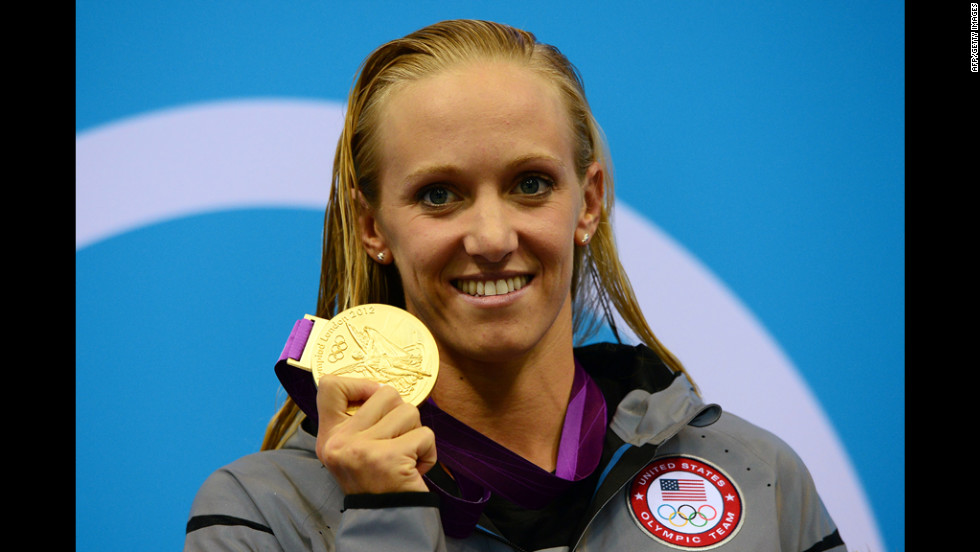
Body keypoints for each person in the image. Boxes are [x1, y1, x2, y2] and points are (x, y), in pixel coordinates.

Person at [184, 19, 846, 551]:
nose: (493, 238)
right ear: (372, 225)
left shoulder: (757, 476)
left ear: (587, 203)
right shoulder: (261, 514)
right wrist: (386, 517)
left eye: (531, 184)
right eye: (439, 195)